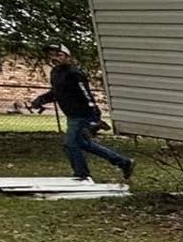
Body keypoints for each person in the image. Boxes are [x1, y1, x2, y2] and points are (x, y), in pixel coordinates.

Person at [31, 45, 133, 182]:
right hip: (71, 115)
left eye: (59, 55)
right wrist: (41, 100)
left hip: (82, 114)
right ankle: (124, 162)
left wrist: (95, 117)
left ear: (68, 57)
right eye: (52, 55)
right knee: (84, 144)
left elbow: (86, 94)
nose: (55, 58)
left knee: (70, 144)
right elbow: (56, 92)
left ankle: (82, 174)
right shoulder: (55, 73)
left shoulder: (75, 73)